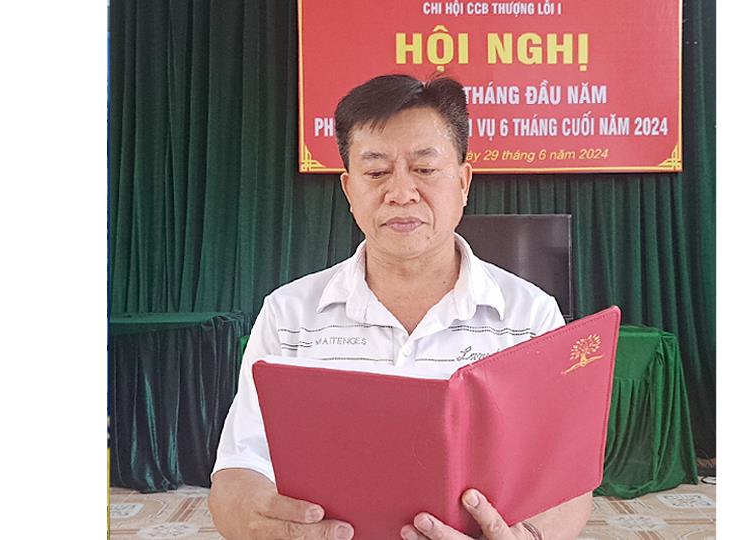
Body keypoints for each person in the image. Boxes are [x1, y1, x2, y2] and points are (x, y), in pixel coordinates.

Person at [208, 74, 593, 540]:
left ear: (463, 182)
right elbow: (237, 470)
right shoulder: (290, 316)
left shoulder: (529, 318)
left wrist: (529, 536)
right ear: (349, 190)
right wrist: (259, 520)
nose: (401, 192)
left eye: (425, 169)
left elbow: (565, 482)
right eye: (376, 173)